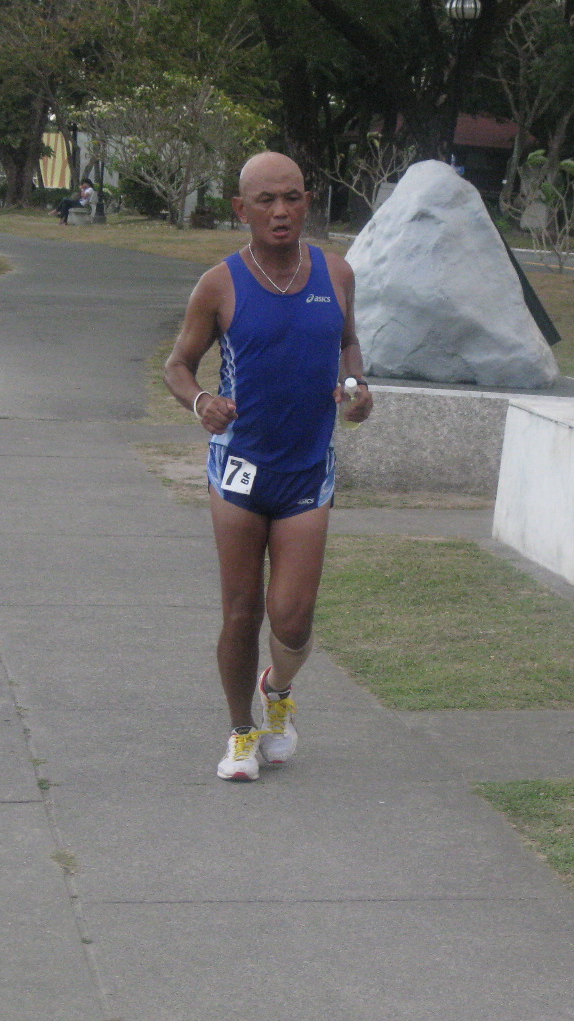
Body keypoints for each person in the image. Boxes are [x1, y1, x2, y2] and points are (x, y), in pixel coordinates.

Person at [163, 152, 373, 780]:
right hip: (240, 469)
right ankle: (241, 733)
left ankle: (276, 689)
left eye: (292, 197)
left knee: (294, 618)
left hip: (308, 471)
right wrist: (201, 402)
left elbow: (347, 343)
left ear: (307, 201)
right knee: (241, 612)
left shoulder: (336, 273)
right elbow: (178, 366)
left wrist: (357, 387)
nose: (281, 212)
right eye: (266, 201)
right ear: (241, 209)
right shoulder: (220, 285)